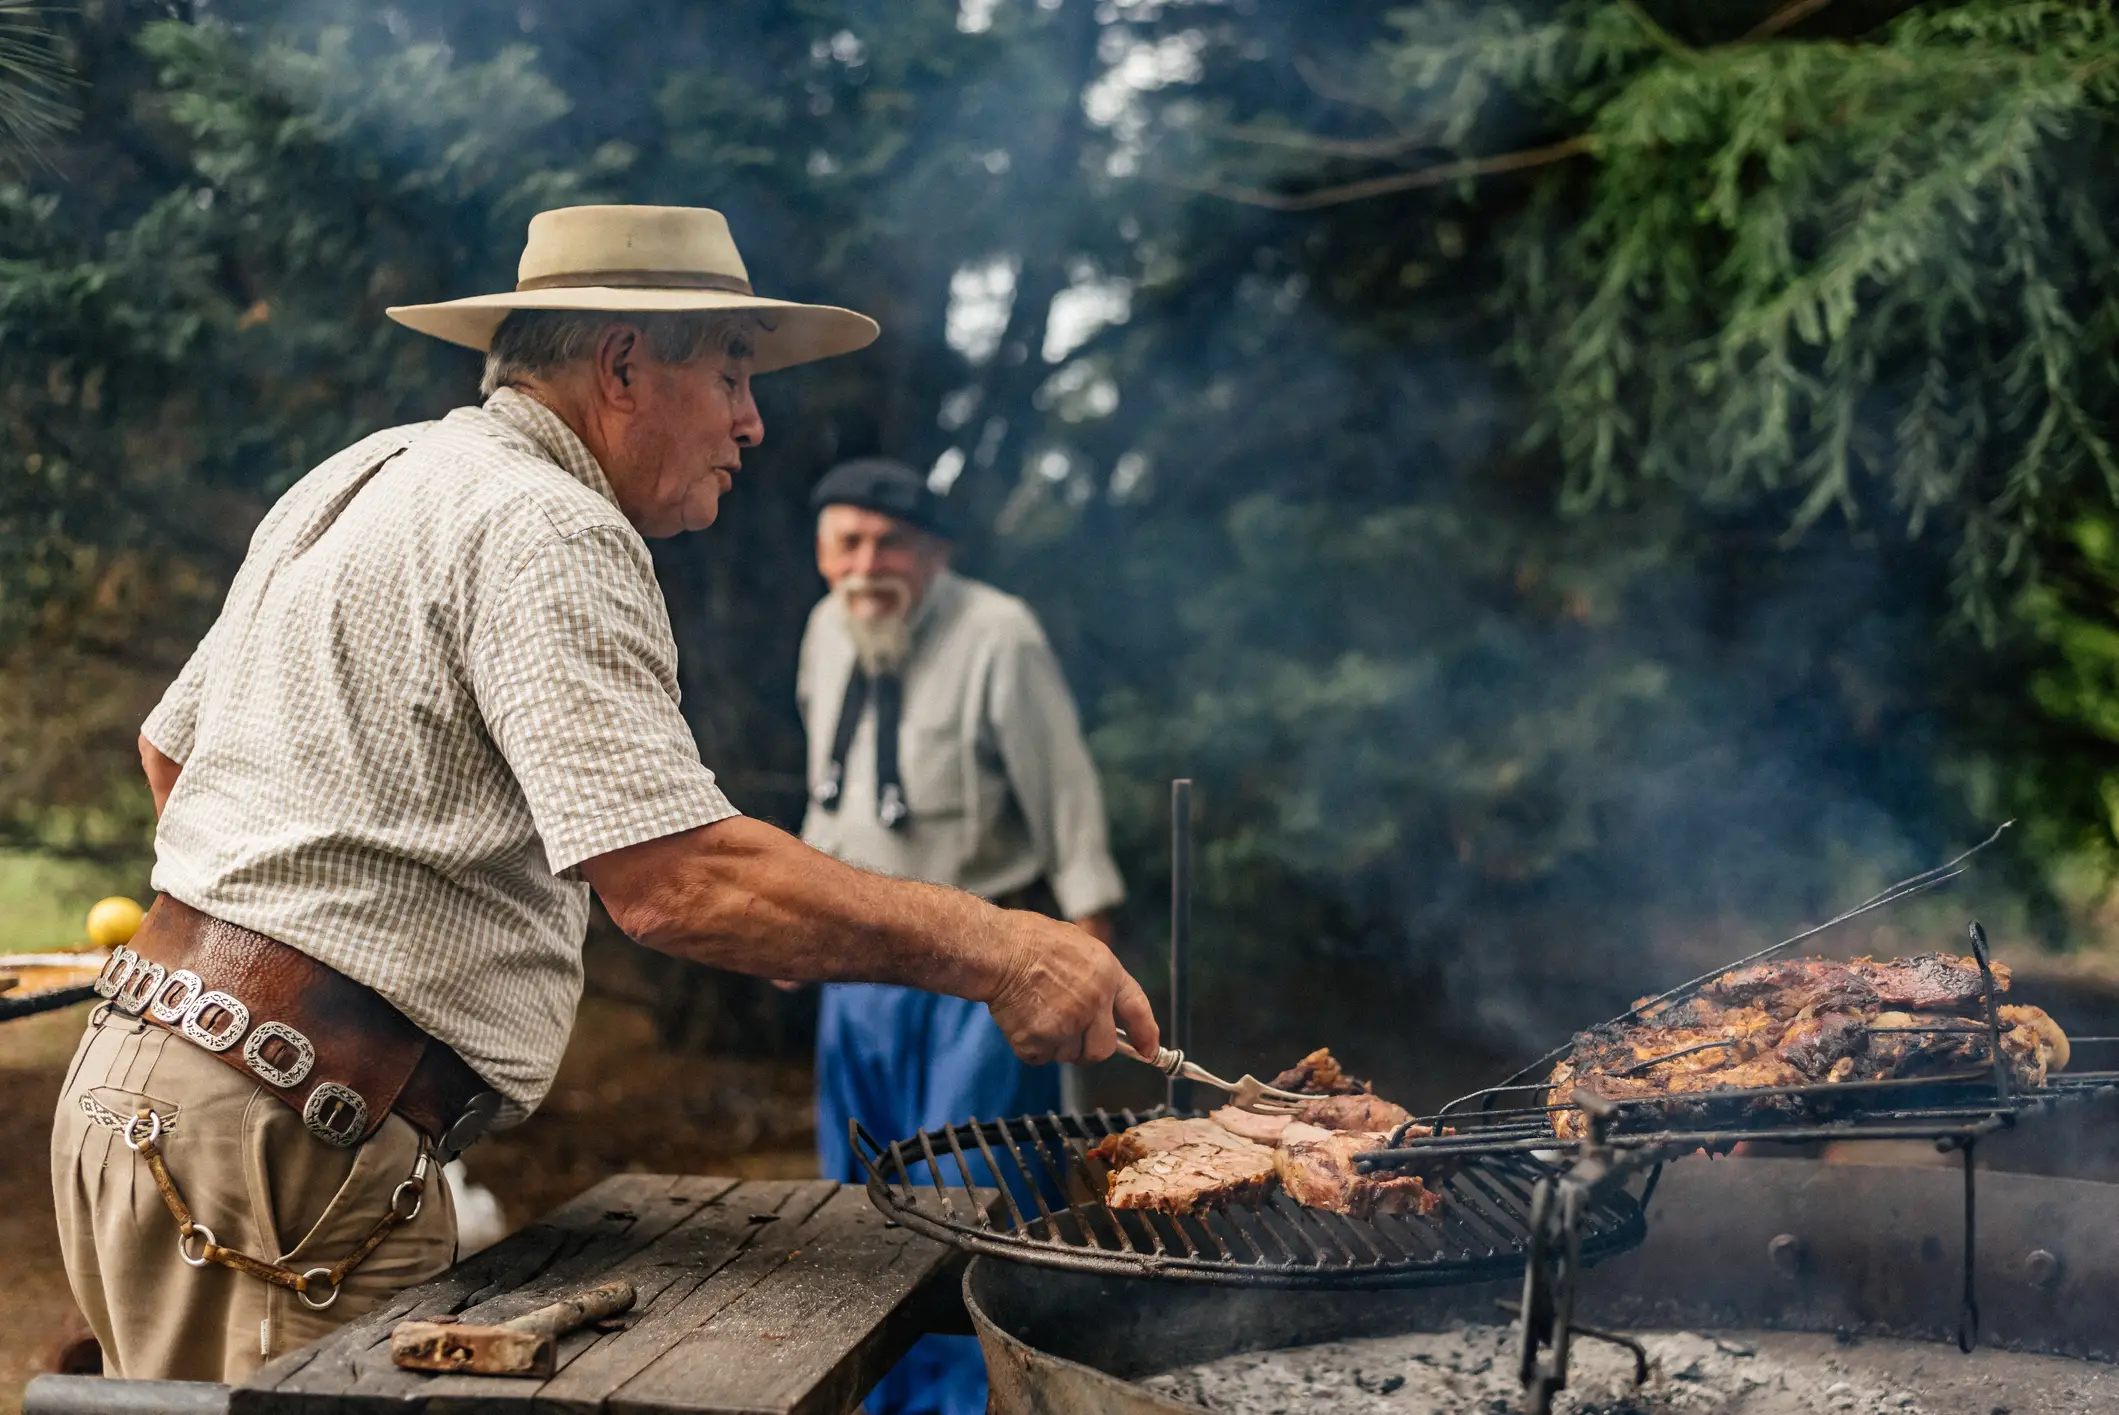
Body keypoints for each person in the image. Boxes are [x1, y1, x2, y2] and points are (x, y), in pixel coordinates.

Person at [49, 205, 1157, 1383]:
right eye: (732, 372)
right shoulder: (548, 523)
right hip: (282, 1137)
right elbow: (673, 880)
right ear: (623, 364)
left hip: (150, 1089)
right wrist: (1003, 949)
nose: (753, 419)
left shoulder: (366, 471)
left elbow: (172, 752)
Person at [795, 458, 1126, 1415]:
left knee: (969, 1206)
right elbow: (833, 788)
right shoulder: (826, 629)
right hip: (854, 967)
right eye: (848, 540)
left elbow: (1066, 796)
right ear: (822, 550)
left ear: (936, 552)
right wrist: (796, 932)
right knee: (855, 1202)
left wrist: (1088, 936)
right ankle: (875, 1397)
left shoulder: (998, 634)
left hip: (983, 971)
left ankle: (973, 1402)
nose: (868, 563)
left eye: (892, 541)